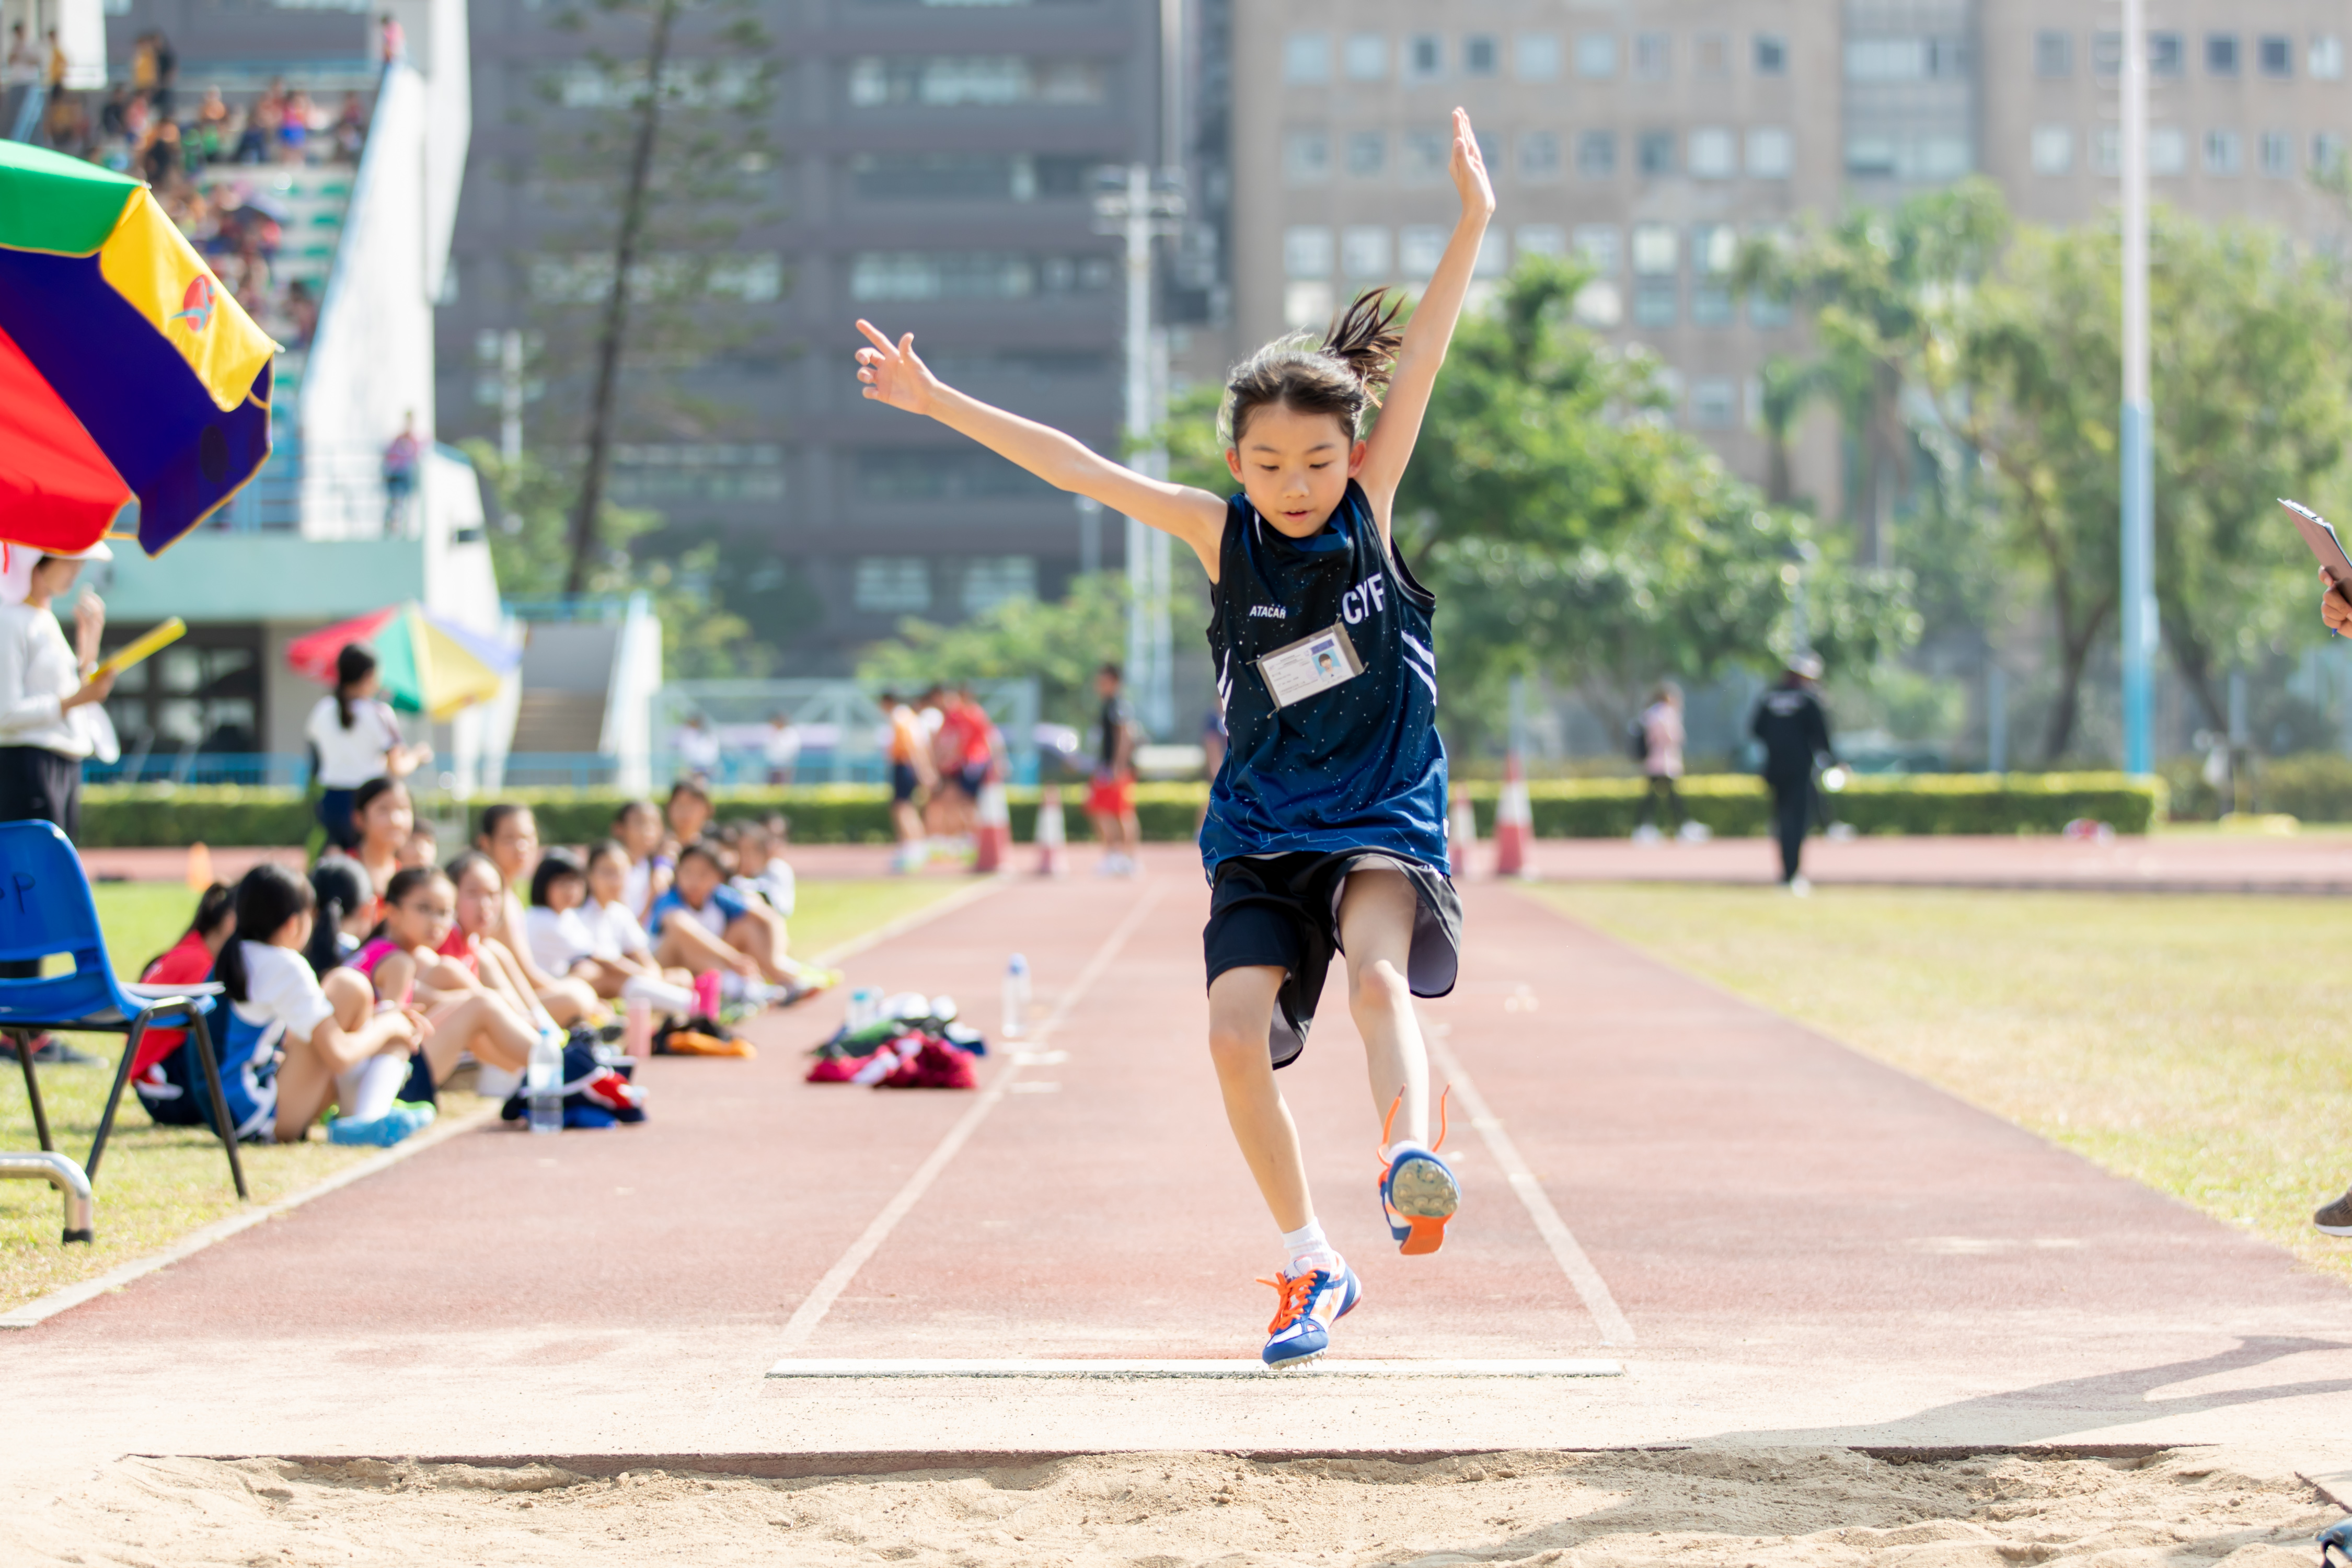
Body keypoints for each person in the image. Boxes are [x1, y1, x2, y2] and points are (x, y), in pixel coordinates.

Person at [850, 105, 1491, 1368]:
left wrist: (1472, 221)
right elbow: (1077, 467)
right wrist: (936, 402)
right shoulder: (1217, 532)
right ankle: (1311, 1259)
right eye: (1270, 463)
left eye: (1317, 460)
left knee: (1376, 980)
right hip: (1260, 830)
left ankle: (1408, 1153)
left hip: (1378, 813)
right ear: (1237, 463)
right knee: (1230, 1034)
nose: (1295, 484)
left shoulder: (1367, 508)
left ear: (1351, 453)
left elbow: (1421, 356)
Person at [209, 863, 431, 1147]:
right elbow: (341, 1055)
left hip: (236, 1112)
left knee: (351, 991)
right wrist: (389, 1023)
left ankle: (364, 1114)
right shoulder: (285, 965)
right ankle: (366, 1115)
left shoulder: (241, 954)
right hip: (259, 1115)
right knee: (354, 992)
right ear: (294, 924)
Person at [353, 865, 550, 1096]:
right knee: (481, 1004)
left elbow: (429, 998)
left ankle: (536, 1075)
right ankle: (557, 1069)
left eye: (445, 912)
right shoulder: (395, 960)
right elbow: (390, 1035)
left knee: (472, 998)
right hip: (378, 1082)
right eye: (425, 909)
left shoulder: (401, 954)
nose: (436, 921)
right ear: (392, 912)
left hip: (375, 1071)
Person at [647, 840, 831, 998]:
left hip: (713, 965)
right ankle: (741, 988)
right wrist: (733, 958)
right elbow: (680, 925)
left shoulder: (720, 895)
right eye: (687, 873)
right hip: (668, 965)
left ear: (718, 877)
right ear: (678, 873)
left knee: (745, 927)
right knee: (683, 938)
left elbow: (770, 917)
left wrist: (774, 960)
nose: (694, 881)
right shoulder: (669, 899)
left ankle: (781, 977)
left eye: (703, 874)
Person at [526, 848, 697, 1014]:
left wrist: (651, 976)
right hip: (555, 992)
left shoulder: (566, 916)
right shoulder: (546, 918)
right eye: (562, 883)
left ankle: (688, 1005)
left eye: (574, 883)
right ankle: (691, 1006)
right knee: (594, 972)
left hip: (574, 987)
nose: (571, 890)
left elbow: (641, 956)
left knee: (679, 976)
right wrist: (646, 976)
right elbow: (599, 959)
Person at [471, 802, 597, 1025]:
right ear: (486, 843)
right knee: (578, 997)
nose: (521, 847)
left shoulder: (510, 895)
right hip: (496, 1000)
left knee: (581, 989)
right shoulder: (492, 898)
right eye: (509, 839)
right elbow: (525, 974)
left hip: (514, 996)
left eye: (528, 838)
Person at [306, 642, 429, 851]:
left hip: (331, 801)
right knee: (370, 859)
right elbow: (397, 767)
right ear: (370, 675)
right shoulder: (379, 713)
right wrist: (418, 756)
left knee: (339, 860)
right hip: (369, 800)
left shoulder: (322, 710)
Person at [126, 881, 236, 1110]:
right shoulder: (200, 964)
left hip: (151, 1075)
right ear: (230, 921)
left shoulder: (191, 950)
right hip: (161, 1082)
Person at [1751, 653, 1835, 895]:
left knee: (1782, 821)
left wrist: (1778, 744)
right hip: (1800, 769)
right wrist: (1831, 759)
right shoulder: (1808, 698)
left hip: (1775, 768)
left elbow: (1756, 729)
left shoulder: (1769, 696)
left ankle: (1784, 873)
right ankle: (1793, 874)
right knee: (1797, 822)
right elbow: (1822, 735)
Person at [1087, 663, 1141, 877]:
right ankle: (1116, 856)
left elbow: (1125, 735)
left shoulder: (1118, 705)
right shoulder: (1109, 704)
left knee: (1120, 812)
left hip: (1114, 768)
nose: (1099, 684)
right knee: (1104, 811)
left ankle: (1126, 858)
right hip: (1108, 767)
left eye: (1103, 680)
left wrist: (1118, 766)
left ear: (1113, 681)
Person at [878, 690, 932, 873]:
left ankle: (913, 849)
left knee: (903, 808)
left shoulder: (900, 716)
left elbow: (912, 745)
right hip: (905, 764)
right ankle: (913, 847)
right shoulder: (908, 716)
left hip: (904, 764)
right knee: (904, 807)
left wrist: (922, 771)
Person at [348, 776, 414, 904]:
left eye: (404, 809)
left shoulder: (409, 877)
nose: (396, 821)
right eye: (383, 809)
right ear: (359, 818)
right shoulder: (343, 872)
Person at [1633, 682, 1687, 843]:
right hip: (1665, 761)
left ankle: (1644, 827)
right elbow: (1674, 737)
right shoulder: (1666, 713)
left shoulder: (1650, 714)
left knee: (1653, 797)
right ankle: (1681, 826)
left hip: (1653, 761)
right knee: (1672, 798)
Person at [612, 798, 672, 921]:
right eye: (640, 822)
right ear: (619, 828)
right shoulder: (609, 866)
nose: (649, 830)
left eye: (655, 823)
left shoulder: (660, 868)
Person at [382, 413, 421, 529]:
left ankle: (402, 527)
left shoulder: (414, 440)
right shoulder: (399, 439)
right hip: (395, 475)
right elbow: (389, 456)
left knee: (403, 505)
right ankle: (391, 526)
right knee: (394, 503)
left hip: (405, 477)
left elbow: (416, 458)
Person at [673, 713, 721, 779]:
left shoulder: (709, 736)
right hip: (693, 765)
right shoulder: (688, 735)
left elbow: (711, 755)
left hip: (706, 765)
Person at [763, 712, 800, 785]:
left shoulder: (790, 733)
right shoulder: (773, 732)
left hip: (785, 766)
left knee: (783, 785)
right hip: (773, 766)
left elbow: (790, 750)